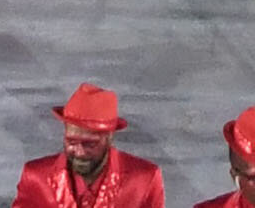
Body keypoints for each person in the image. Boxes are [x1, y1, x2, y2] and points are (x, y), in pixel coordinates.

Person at [11, 87, 160, 208]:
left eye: (89, 144)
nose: (79, 152)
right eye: (72, 142)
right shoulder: (36, 177)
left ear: (109, 138)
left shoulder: (144, 179)